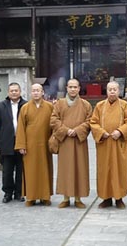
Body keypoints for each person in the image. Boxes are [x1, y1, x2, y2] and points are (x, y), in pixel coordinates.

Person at [90, 81, 127, 209]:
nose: (112, 92)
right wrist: (101, 132)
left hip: (119, 143)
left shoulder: (125, 105)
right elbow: (93, 123)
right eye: (110, 89)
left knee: (119, 170)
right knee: (105, 171)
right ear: (106, 91)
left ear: (119, 91)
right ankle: (106, 198)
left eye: (115, 89)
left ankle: (119, 198)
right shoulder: (99, 106)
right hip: (104, 144)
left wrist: (120, 131)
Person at [50, 79, 92, 209]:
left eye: (75, 87)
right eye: (70, 87)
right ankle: (66, 198)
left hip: (79, 141)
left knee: (80, 169)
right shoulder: (59, 104)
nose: (73, 89)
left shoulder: (86, 104)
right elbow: (53, 119)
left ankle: (78, 198)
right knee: (65, 169)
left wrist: (78, 130)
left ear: (79, 88)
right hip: (65, 140)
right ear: (67, 88)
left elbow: (90, 121)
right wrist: (65, 130)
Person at [15, 83, 54, 207]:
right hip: (30, 144)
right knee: (30, 170)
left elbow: (54, 124)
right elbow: (20, 127)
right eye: (33, 91)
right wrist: (21, 145)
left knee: (45, 169)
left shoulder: (50, 106)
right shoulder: (25, 108)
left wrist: (54, 140)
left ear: (43, 92)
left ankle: (45, 196)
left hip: (44, 143)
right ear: (31, 93)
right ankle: (31, 197)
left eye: (38, 90)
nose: (36, 93)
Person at [0, 82, 27, 203]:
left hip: (22, 143)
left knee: (21, 170)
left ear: (20, 92)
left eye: (16, 90)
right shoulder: (1, 106)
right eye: (11, 90)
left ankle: (19, 192)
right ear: (8, 92)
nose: (14, 92)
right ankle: (7, 193)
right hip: (6, 143)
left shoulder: (26, 105)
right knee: (7, 170)